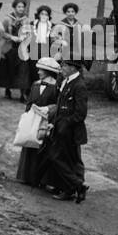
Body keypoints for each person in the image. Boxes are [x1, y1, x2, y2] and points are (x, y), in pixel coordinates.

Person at [42, 57, 90, 202]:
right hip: (61, 128)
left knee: (60, 158)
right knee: (59, 158)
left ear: (73, 68)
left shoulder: (79, 85)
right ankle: (72, 186)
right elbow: (60, 107)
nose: (61, 68)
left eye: (64, 66)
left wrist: (65, 124)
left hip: (70, 131)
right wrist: (55, 123)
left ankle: (74, 187)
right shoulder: (66, 81)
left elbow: (80, 113)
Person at [17, 56, 61, 187]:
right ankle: (27, 176)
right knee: (29, 144)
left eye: (40, 70)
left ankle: (41, 179)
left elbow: (57, 105)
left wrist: (48, 112)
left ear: (47, 72)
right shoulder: (35, 85)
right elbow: (29, 103)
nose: (38, 72)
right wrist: (26, 117)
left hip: (45, 122)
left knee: (43, 149)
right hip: (33, 120)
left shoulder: (55, 87)